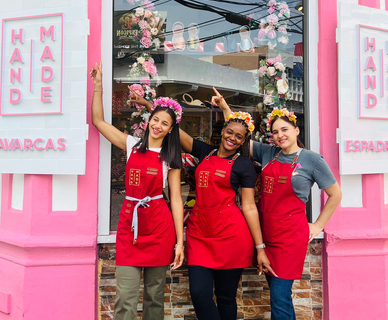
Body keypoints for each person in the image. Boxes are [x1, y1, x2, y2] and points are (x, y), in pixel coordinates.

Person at [129, 91, 276, 320]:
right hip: (199, 235)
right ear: (222, 132)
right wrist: (150, 105)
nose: (233, 139)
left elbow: (248, 207)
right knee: (199, 294)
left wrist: (260, 248)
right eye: (230, 132)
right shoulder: (204, 152)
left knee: (226, 298)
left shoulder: (244, 166)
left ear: (243, 140)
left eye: (239, 137)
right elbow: (174, 130)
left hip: (231, 237)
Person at [213, 88, 342, 320]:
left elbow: (335, 194)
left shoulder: (312, 159)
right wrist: (224, 108)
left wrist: (318, 225)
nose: (280, 135)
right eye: (275, 132)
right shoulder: (268, 153)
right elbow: (237, 133)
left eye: (284, 129)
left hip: (291, 238)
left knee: (280, 296)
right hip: (266, 235)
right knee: (278, 295)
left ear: (296, 130)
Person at [90, 62, 185, 320]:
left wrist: (179, 242)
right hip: (130, 229)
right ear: (149, 120)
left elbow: (176, 200)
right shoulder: (131, 145)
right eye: (155, 119)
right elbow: (98, 122)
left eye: (165, 123)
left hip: (159, 229)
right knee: (125, 299)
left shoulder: (170, 158)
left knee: (155, 298)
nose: (158, 126)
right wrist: (98, 87)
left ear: (170, 129)